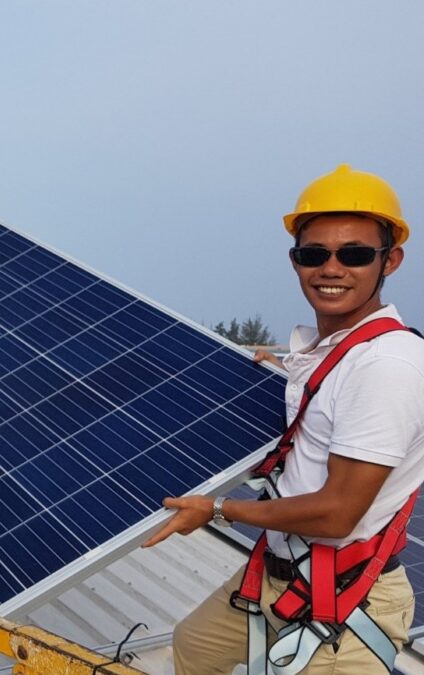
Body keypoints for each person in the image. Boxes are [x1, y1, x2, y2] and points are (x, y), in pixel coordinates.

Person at [143, 164, 424, 673]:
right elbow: (323, 410)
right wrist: (282, 378)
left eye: (355, 254)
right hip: (279, 572)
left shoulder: (387, 365)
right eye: (313, 254)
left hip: (349, 596)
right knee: (193, 647)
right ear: (296, 261)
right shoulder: (329, 353)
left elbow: (338, 513)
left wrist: (220, 509)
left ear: (391, 261)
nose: (331, 268)